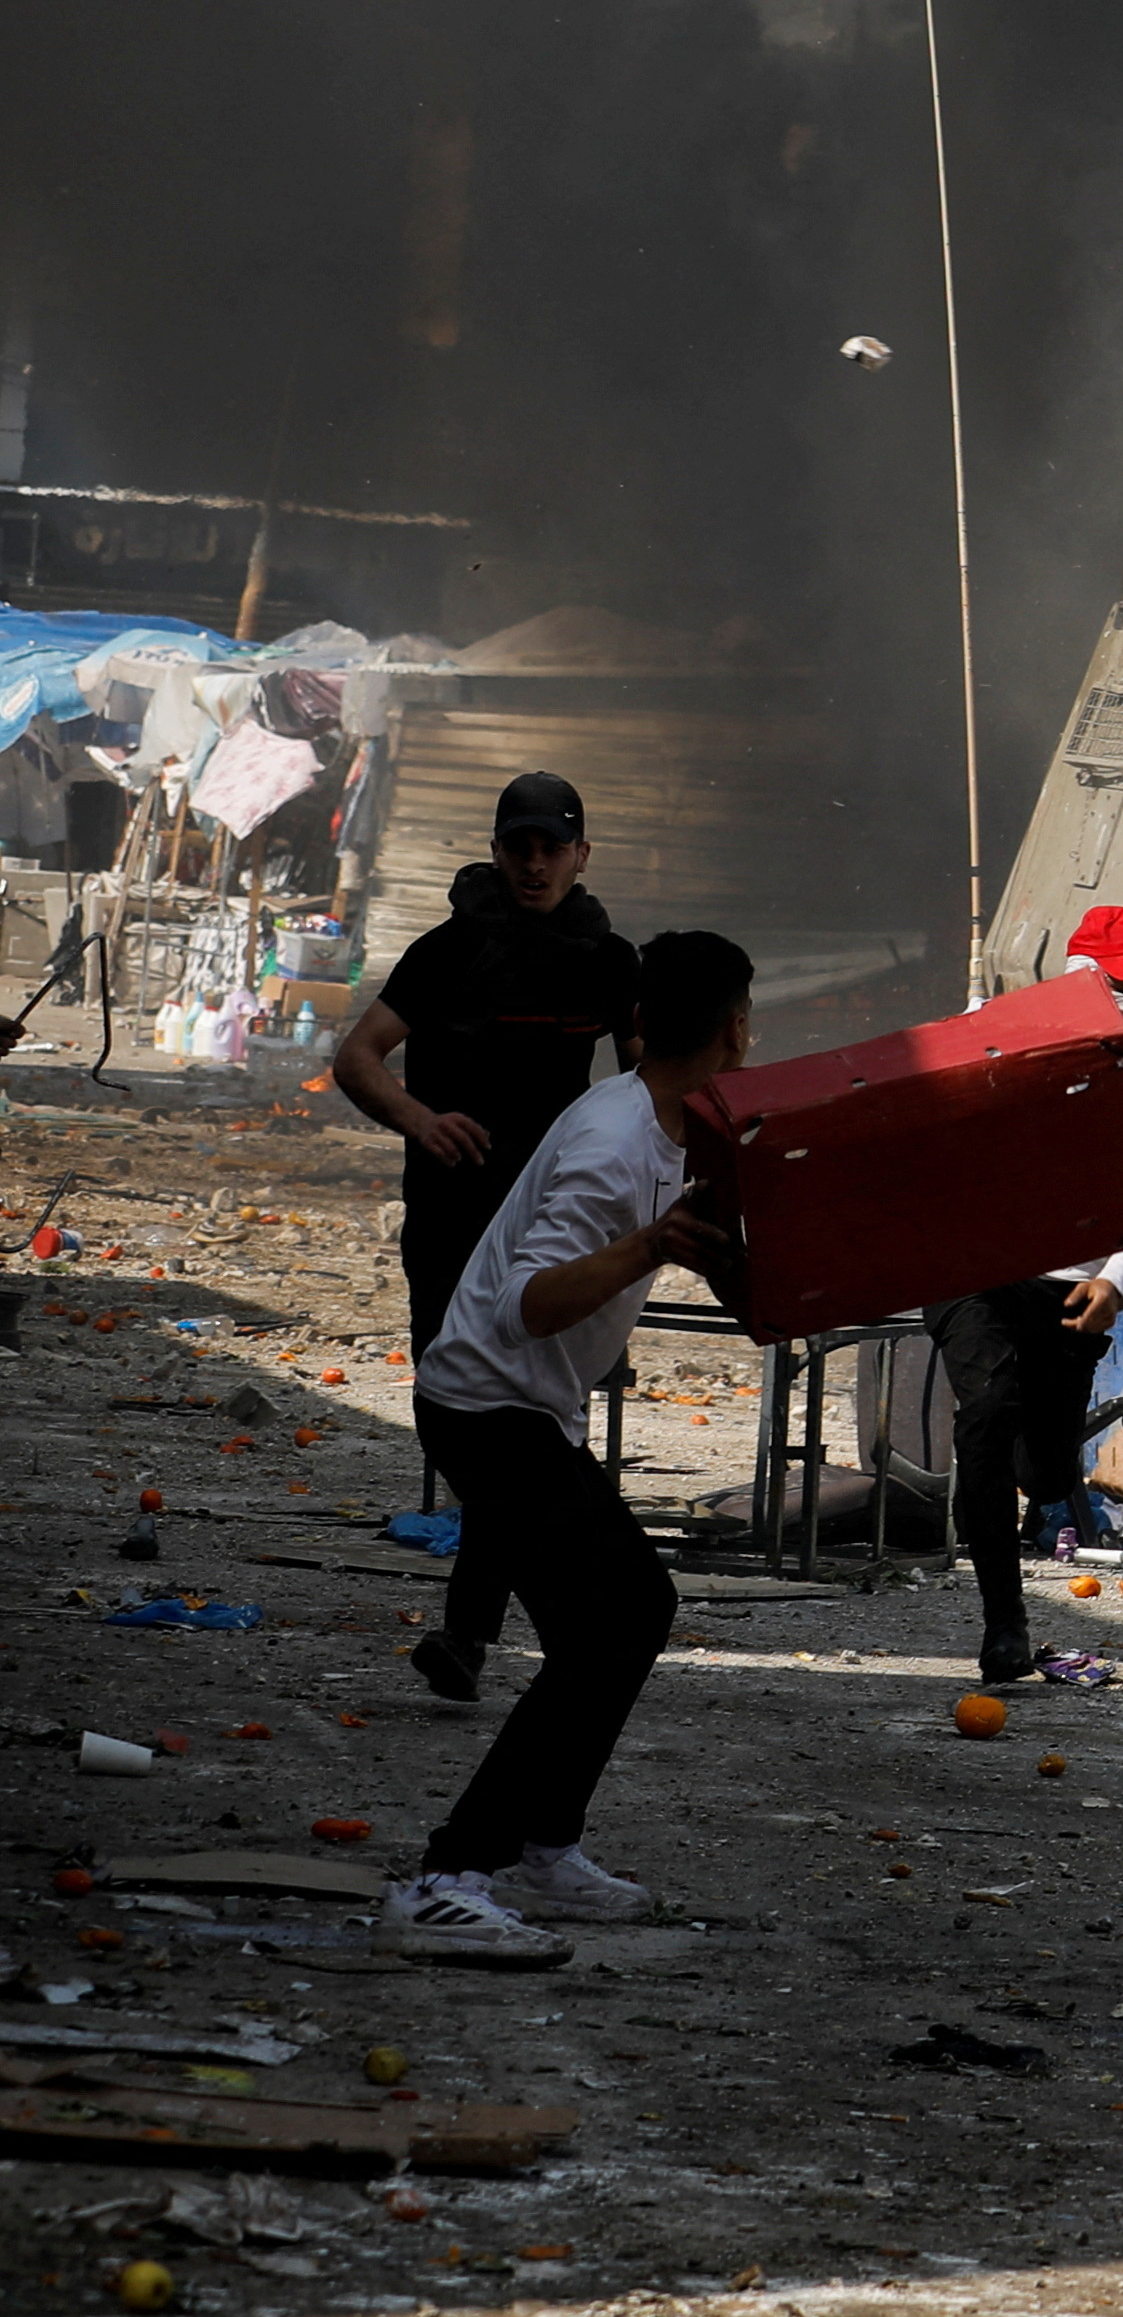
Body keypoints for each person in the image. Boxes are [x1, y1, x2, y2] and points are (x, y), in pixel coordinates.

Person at [373, 926, 751, 1968]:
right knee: (609, 1622)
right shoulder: (612, 1144)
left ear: (636, 1023)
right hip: (489, 1404)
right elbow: (537, 1302)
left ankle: (547, 1848)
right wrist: (648, 1245)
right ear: (736, 1029)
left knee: (633, 1612)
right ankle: (449, 1876)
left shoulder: (665, 1126)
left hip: (516, 1406)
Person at [333, 771, 638, 1705]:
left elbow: (646, 1080)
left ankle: (471, 1631)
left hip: (552, 1230)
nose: (536, 863)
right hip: (453, 1211)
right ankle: (514, 1607)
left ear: (581, 855)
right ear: (499, 851)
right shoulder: (447, 951)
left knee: (523, 1414)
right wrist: (421, 1120)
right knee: (451, 1407)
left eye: (554, 846)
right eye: (521, 847)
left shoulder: (609, 962)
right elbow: (356, 1057)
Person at [939, 900, 1123, 1683]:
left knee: (1044, 1470)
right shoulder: (989, 1026)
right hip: (977, 1268)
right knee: (985, 1413)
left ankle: (1033, 1475)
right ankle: (1003, 1624)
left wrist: (1114, 1281)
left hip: (1072, 1288)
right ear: (1080, 974)